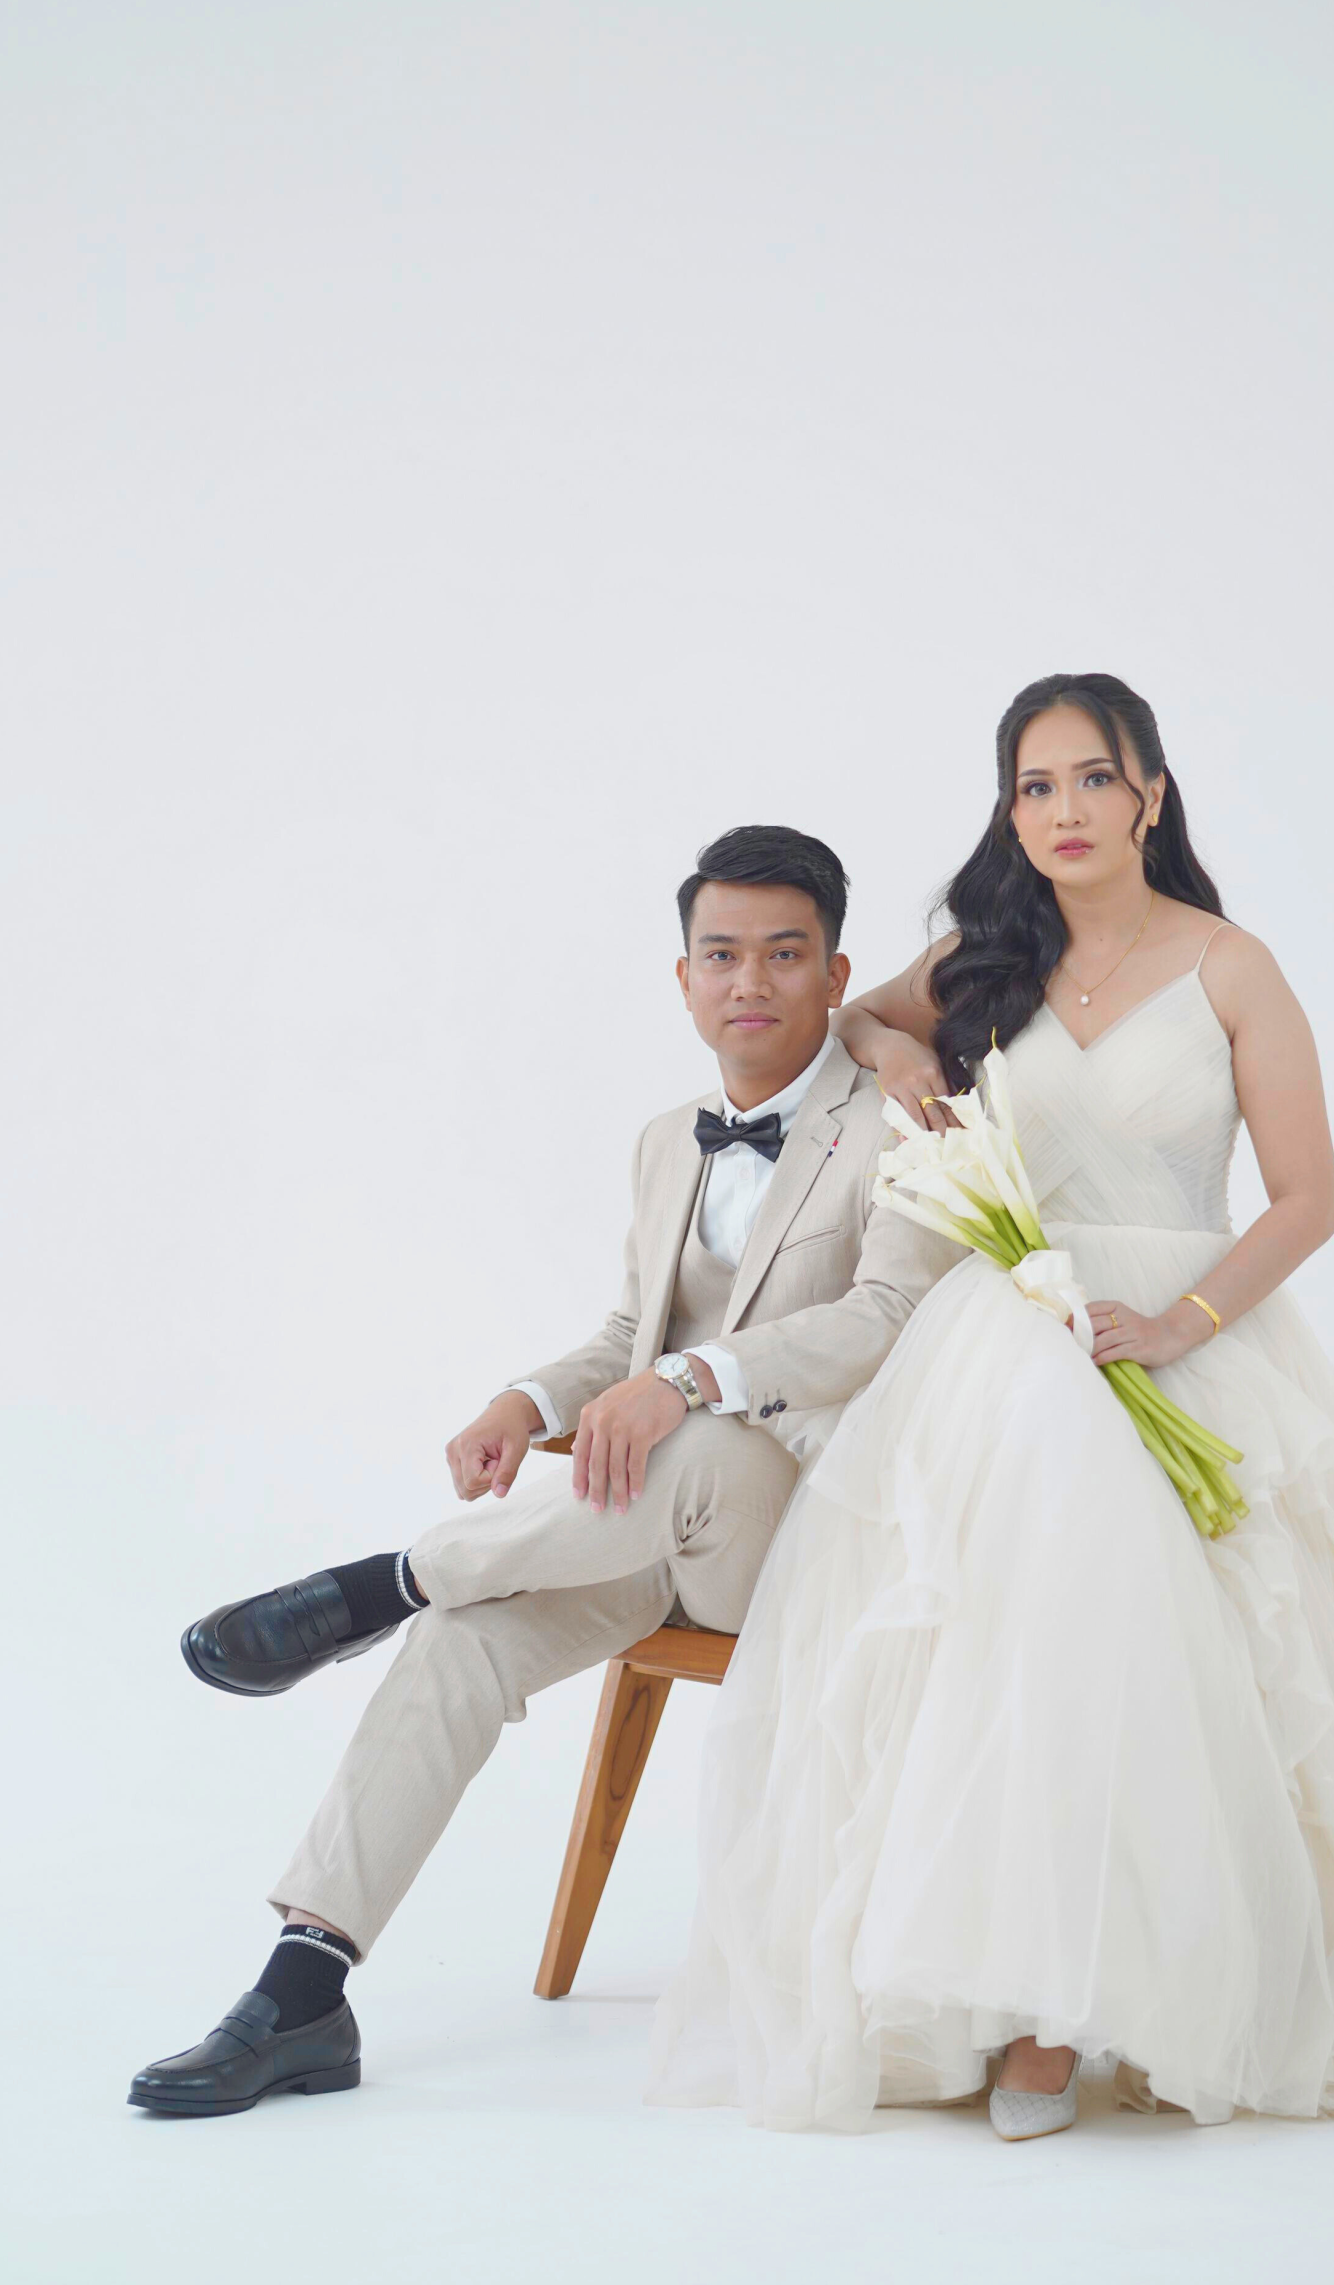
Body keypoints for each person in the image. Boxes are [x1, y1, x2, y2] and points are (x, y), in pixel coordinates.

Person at [650, 675, 1334, 2140]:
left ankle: (1084, 2007)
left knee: (1165, 1657)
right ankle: (999, 1994)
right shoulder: (985, 955)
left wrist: (1180, 1327)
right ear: (1011, 812)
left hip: (1184, 1332)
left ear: (1150, 794)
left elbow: (1307, 1199)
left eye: (1091, 778)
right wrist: (906, 1051)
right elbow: (855, 1020)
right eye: (1033, 786)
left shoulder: (1230, 966)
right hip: (1006, 1340)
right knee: (1006, 1633)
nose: (1062, 810)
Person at [128, 825, 955, 2117]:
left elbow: (886, 1318)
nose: (748, 982)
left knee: (695, 1439)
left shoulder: (900, 1122)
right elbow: (630, 1333)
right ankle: (302, 1992)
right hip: (634, 1530)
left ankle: (381, 1580)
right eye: (720, 955)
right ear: (682, 978)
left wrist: (691, 1379)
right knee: (460, 1639)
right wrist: (527, 1401)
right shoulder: (664, 1142)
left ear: (837, 973)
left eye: (783, 955)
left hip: (796, 1531)